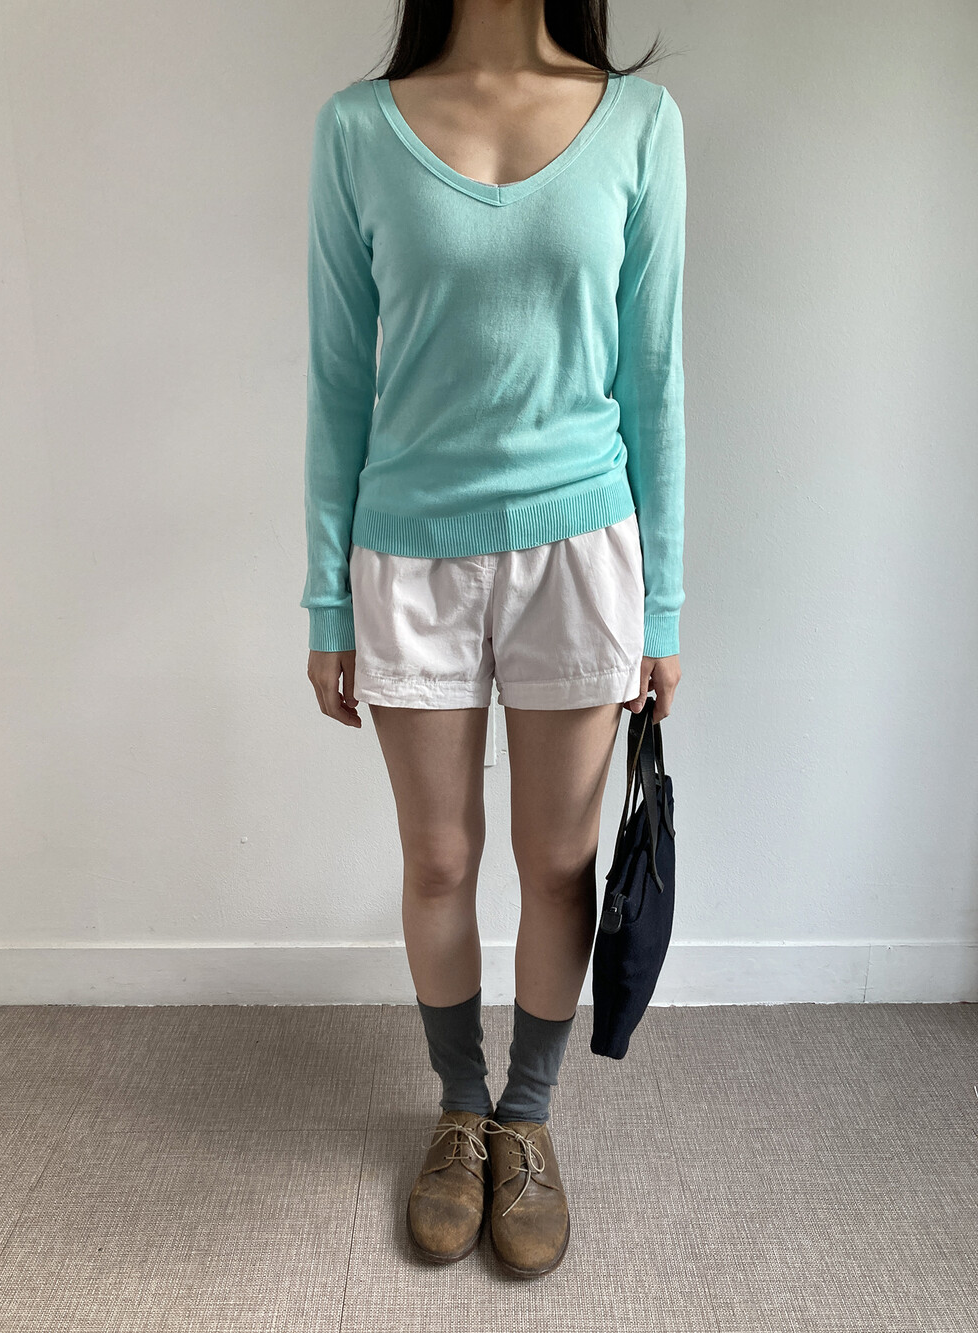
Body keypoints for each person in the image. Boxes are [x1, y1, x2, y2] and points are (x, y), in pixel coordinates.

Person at [301, 0, 686, 1280]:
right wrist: (324, 601)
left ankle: (526, 1119)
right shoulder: (357, 130)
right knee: (438, 858)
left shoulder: (638, 123)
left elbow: (654, 378)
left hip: (580, 549)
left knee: (559, 864)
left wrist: (664, 607)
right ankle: (458, 1110)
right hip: (407, 552)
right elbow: (338, 377)